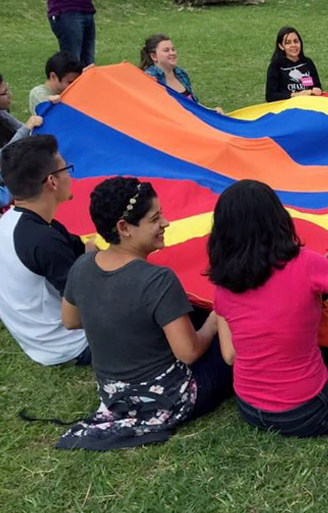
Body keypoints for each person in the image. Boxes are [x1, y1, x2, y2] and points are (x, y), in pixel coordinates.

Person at [57, 177, 233, 449]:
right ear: (124, 228)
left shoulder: (82, 266)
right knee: (232, 339)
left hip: (115, 396)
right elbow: (188, 353)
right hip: (171, 400)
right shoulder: (157, 279)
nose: (165, 223)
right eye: (154, 219)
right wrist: (213, 322)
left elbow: (70, 320)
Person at [207, 180, 328, 437]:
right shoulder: (306, 264)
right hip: (308, 410)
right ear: (277, 219)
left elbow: (230, 356)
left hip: (249, 407)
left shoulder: (223, 284)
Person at [0, 135, 90, 366]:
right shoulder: (43, 240)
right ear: (52, 181)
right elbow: (85, 305)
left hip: (38, 341)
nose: (70, 175)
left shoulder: (14, 222)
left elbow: (81, 247)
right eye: (66, 169)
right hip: (72, 345)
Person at [266, 26, 323, 101]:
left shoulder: (307, 63)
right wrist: (296, 95)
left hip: (309, 105)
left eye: (296, 41)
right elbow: (271, 96)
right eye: (288, 43)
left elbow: (316, 86)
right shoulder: (275, 66)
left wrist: (316, 90)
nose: (293, 45)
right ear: (281, 46)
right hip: (287, 109)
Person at [2, 72, 44, 154]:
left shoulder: (2, 113)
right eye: (4, 93)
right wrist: (27, 128)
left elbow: (20, 128)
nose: (10, 95)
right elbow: (3, 157)